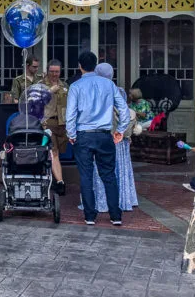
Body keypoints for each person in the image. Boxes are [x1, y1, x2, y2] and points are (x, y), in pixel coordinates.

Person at [66, 51, 130, 226]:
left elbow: (70, 114)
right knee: (109, 175)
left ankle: (89, 215)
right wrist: (121, 130)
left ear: (80, 66)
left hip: (84, 135)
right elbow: (124, 110)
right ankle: (115, 215)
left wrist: (71, 134)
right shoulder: (109, 85)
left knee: (86, 176)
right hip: (104, 134)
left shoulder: (76, 87)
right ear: (95, 65)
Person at [83, 65, 138, 212]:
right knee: (117, 169)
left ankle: (102, 201)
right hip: (119, 138)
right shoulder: (118, 90)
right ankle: (122, 200)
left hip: (101, 136)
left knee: (101, 168)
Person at [41, 59, 67, 195]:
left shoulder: (64, 86)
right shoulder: (41, 85)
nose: (54, 74)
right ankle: (60, 182)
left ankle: (55, 179)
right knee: (54, 153)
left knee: (59, 153)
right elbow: (33, 102)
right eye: (52, 71)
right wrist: (49, 91)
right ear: (47, 70)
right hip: (48, 123)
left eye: (57, 71)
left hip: (62, 124)